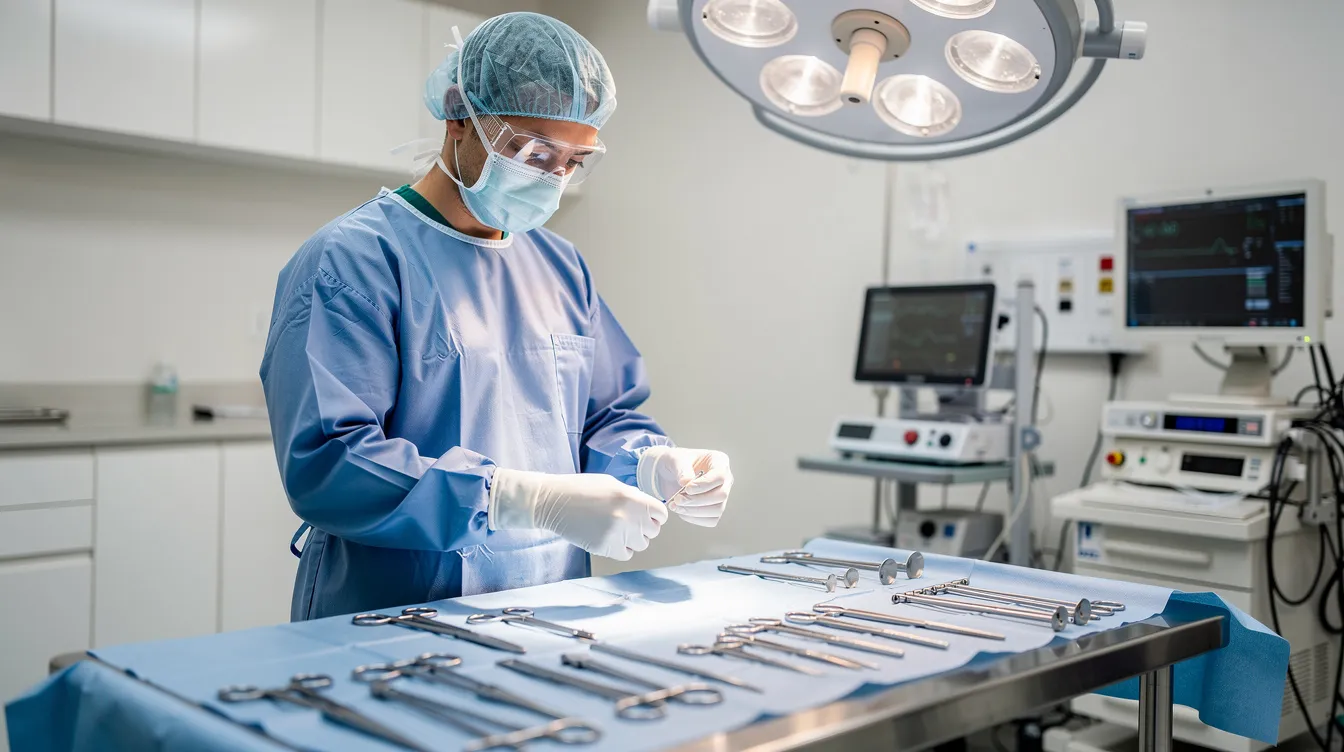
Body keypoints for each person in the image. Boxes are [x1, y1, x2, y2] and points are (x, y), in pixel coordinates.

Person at [260, 12, 734, 621]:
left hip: (550, 604)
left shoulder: (560, 266)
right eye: (533, 150)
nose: (553, 176)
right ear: (461, 118)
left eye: (573, 160)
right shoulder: (353, 261)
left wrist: (650, 462)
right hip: (395, 613)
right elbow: (329, 462)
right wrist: (514, 498)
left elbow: (602, 417)